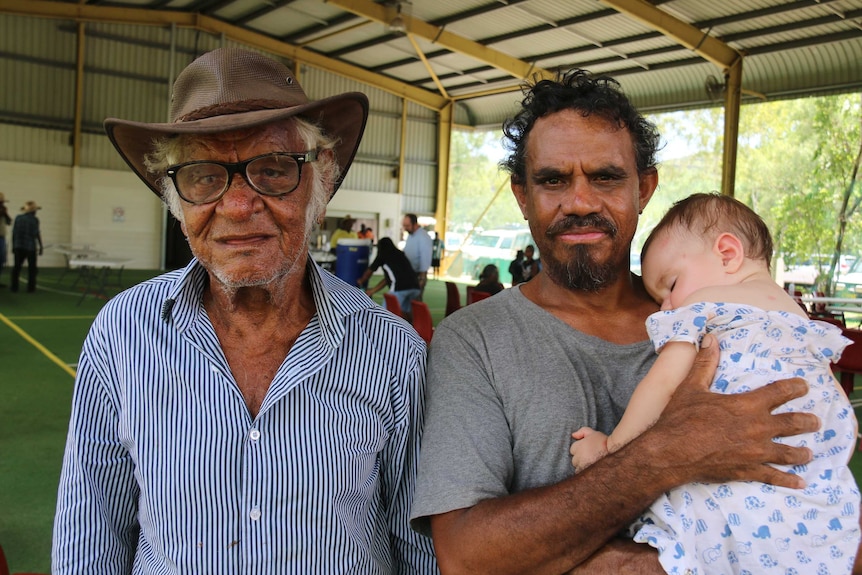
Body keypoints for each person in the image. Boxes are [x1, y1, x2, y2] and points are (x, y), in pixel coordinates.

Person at [410, 68, 822, 573]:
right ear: (522, 195)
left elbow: (821, 501)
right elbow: (468, 557)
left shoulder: (729, 322)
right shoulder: (474, 341)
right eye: (553, 180)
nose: (580, 202)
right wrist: (671, 452)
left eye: (605, 177)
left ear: (644, 188)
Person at [52, 47, 437, 574]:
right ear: (176, 199)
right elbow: (90, 529)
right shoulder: (123, 332)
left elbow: (419, 547)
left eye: (274, 169)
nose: (237, 206)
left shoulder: (392, 351)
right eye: (203, 176)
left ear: (320, 182)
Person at [569, 192, 860, 574]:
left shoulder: (706, 305)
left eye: (670, 284)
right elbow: (837, 406)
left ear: (727, 254)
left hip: (732, 503)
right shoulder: (798, 318)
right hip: (803, 500)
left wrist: (609, 450)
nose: (666, 307)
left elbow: (661, 387)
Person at [357, 237, 422, 321]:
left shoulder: (382, 255)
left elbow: (369, 272)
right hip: (415, 287)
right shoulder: (400, 254)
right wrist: (372, 290)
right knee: (406, 313)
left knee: (385, 312)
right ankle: (410, 331)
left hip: (399, 288)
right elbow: (387, 280)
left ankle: (385, 331)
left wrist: (360, 281)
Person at [11, 200, 42, 293]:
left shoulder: (18, 218)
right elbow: (36, 234)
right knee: (32, 268)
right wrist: (41, 246)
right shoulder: (35, 220)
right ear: (33, 211)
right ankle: (31, 288)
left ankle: (14, 287)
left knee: (17, 267)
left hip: (18, 245)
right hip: (30, 247)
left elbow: (14, 233)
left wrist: (13, 245)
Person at [402, 213, 432, 299]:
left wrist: (422, 279)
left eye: (407, 225)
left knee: (415, 302)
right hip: (409, 274)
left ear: (415, 224)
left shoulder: (423, 237)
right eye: (404, 226)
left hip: (418, 276)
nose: (405, 228)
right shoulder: (411, 235)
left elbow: (425, 258)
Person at [0, 192, 10, 286]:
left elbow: (9, 222)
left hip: (1, 237)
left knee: (1, 259)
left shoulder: (3, 210)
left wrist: (5, 213)